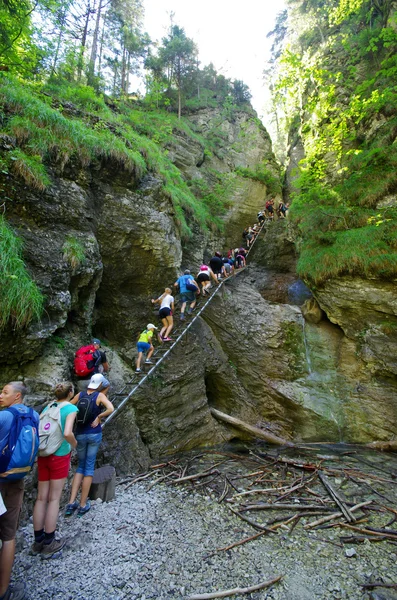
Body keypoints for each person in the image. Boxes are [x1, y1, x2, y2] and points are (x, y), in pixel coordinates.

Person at [0, 382, 39, 600]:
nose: (0, 395)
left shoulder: (5, 416)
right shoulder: (34, 415)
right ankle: (4, 590)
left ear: (17, 396)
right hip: (18, 477)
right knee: (8, 535)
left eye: (5, 392)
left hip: (1, 476)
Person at [32, 382, 78, 559]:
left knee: (41, 497)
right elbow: (67, 433)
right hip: (58, 455)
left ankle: (38, 540)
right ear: (71, 392)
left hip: (43, 454)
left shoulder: (48, 407)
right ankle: (50, 542)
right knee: (54, 498)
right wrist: (75, 445)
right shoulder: (70, 408)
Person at [65, 374, 114, 518]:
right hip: (94, 434)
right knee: (89, 467)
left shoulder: (80, 395)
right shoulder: (99, 396)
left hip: (79, 434)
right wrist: (99, 417)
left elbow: (68, 406)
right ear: (99, 384)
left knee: (80, 467)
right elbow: (110, 408)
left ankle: (71, 502)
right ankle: (82, 505)